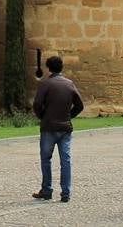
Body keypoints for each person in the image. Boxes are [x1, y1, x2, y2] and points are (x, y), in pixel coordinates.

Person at [32, 54, 84, 203]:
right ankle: (66, 192)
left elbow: (37, 104)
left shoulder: (45, 84)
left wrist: (43, 116)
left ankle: (47, 190)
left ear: (48, 68)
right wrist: (69, 116)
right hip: (65, 127)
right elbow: (80, 105)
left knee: (46, 159)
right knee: (66, 161)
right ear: (61, 67)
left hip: (49, 127)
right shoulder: (69, 84)